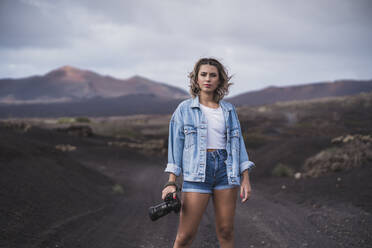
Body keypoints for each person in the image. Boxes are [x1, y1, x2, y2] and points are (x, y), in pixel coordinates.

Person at [162, 57, 255, 248]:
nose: (208, 79)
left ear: (220, 80)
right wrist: (171, 182)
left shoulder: (229, 110)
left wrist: (245, 177)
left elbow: (239, 144)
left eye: (213, 75)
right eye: (203, 74)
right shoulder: (184, 109)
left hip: (226, 172)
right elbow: (175, 147)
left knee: (226, 231)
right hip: (197, 174)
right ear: (196, 79)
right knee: (185, 236)